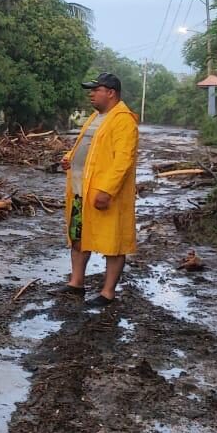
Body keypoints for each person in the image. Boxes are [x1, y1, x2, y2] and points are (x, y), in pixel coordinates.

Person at [52, 72, 139, 307]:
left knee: (114, 242)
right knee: (78, 237)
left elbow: (123, 160)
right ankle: (76, 283)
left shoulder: (124, 120)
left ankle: (108, 292)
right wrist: (69, 158)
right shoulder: (95, 117)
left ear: (110, 92)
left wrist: (107, 190)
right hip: (82, 189)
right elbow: (86, 146)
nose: (91, 94)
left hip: (103, 192)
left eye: (95, 90)